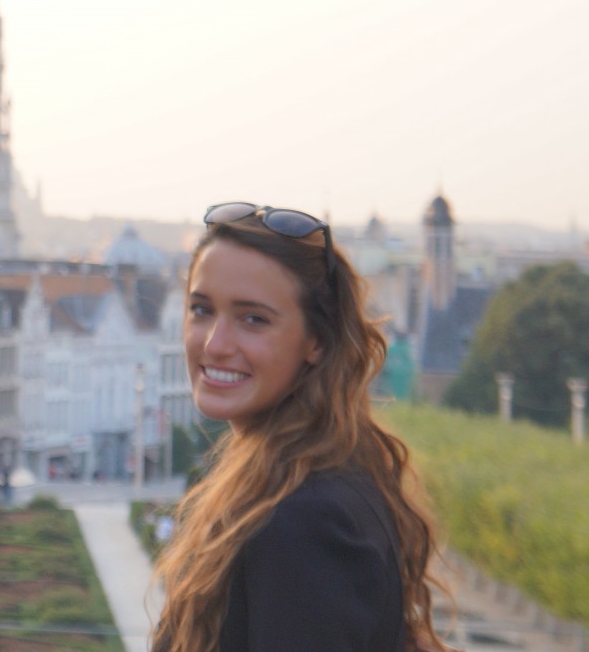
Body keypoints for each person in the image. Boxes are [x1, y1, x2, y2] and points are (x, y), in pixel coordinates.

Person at [151, 202, 449, 652]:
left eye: (253, 319)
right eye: (201, 309)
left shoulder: (304, 521)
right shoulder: (306, 478)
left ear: (317, 341)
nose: (214, 343)